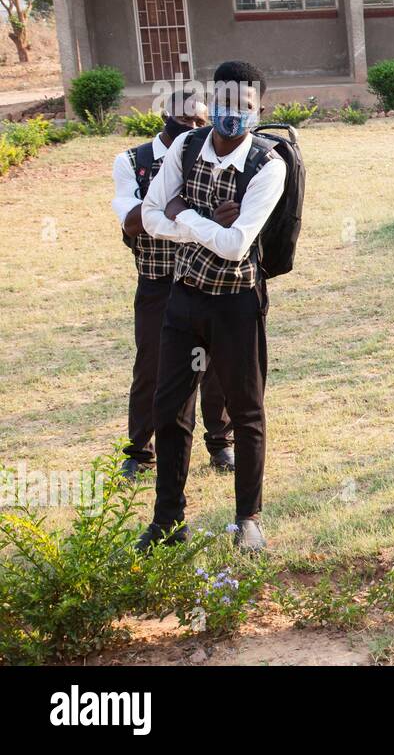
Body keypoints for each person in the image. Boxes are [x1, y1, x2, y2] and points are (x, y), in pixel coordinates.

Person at [138, 60, 287, 553]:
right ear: (210, 102)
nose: (230, 114)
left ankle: (248, 519)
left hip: (237, 305)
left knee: (246, 413)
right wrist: (202, 221)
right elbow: (149, 216)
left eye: (243, 106)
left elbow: (236, 246)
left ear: (258, 110)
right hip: (185, 298)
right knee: (169, 408)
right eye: (223, 102)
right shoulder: (185, 146)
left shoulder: (270, 165)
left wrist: (185, 213)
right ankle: (167, 520)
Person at [112, 90, 234, 480]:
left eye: (201, 123)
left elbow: (229, 217)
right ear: (166, 117)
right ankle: (139, 452)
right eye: (185, 121)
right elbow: (133, 221)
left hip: (205, 276)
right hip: (158, 280)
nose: (194, 129)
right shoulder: (133, 161)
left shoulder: (211, 159)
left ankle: (221, 444)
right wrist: (171, 192)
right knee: (152, 365)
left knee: (214, 364)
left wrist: (178, 212)